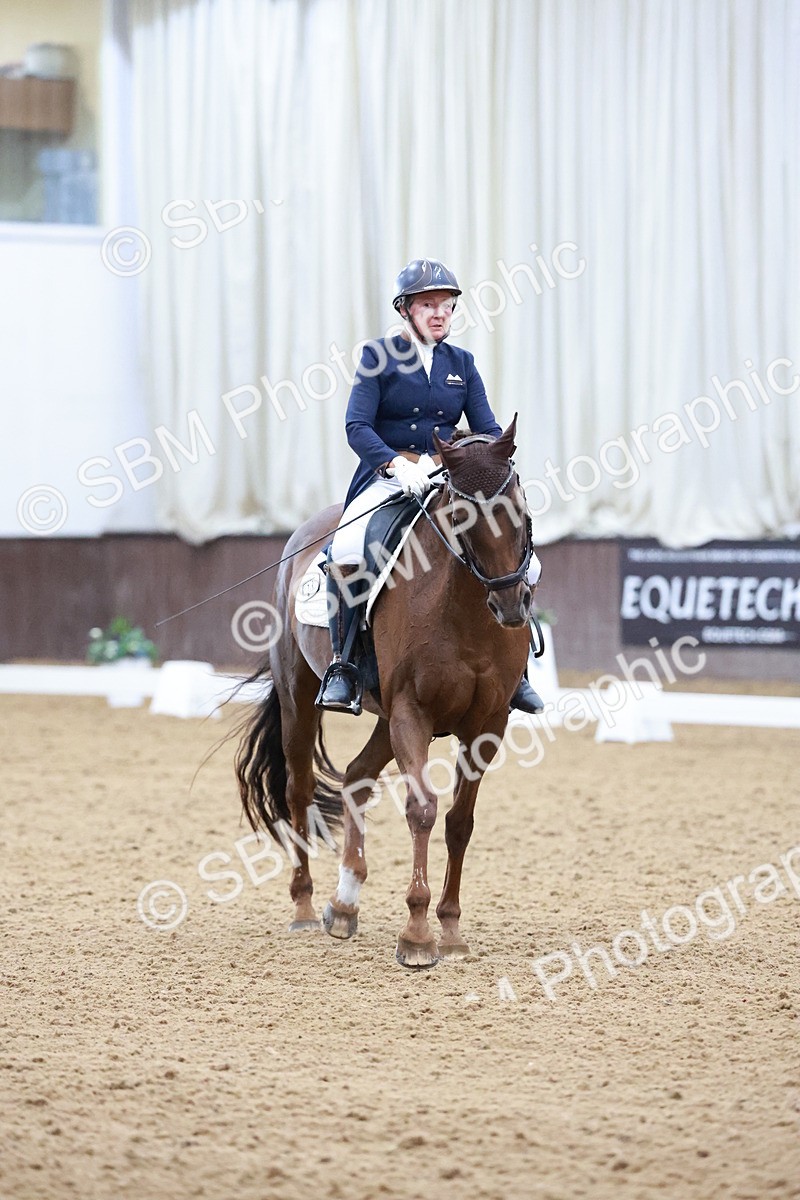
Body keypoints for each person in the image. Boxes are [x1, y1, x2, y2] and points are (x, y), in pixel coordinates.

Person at [315, 257, 544, 716]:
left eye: (447, 305)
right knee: (347, 550)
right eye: (428, 305)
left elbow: (487, 428)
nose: (440, 313)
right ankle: (343, 667)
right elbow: (357, 427)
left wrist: (485, 460)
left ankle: (516, 672)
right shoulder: (376, 358)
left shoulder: (463, 363)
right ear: (405, 310)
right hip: (390, 480)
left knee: (524, 561)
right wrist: (398, 466)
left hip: (448, 480)